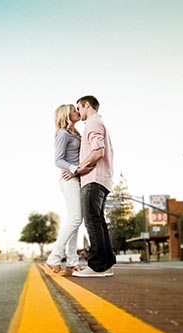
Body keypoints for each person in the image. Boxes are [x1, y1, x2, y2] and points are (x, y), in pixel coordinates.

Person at [65, 95, 115, 278]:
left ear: (87, 105)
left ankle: (97, 267)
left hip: (93, 180)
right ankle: (106, 264)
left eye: (79, 107)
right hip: (103, 179)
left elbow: (98, 151)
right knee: (99, 222)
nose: (78, 112)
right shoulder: (99, 123)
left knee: (92, 222)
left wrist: (77, 169)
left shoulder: (92, 124)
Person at [45, 104, 88, 275]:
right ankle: (53, 258)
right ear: (66, 114)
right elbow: (58, 160)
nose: (77, 112)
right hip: (70, 179)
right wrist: (74, 169)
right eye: (74, 110)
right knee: (76, 219)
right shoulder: (63, 133)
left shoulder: (74, 133)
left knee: (75, 221)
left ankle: (72, 261)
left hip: (76, 179)